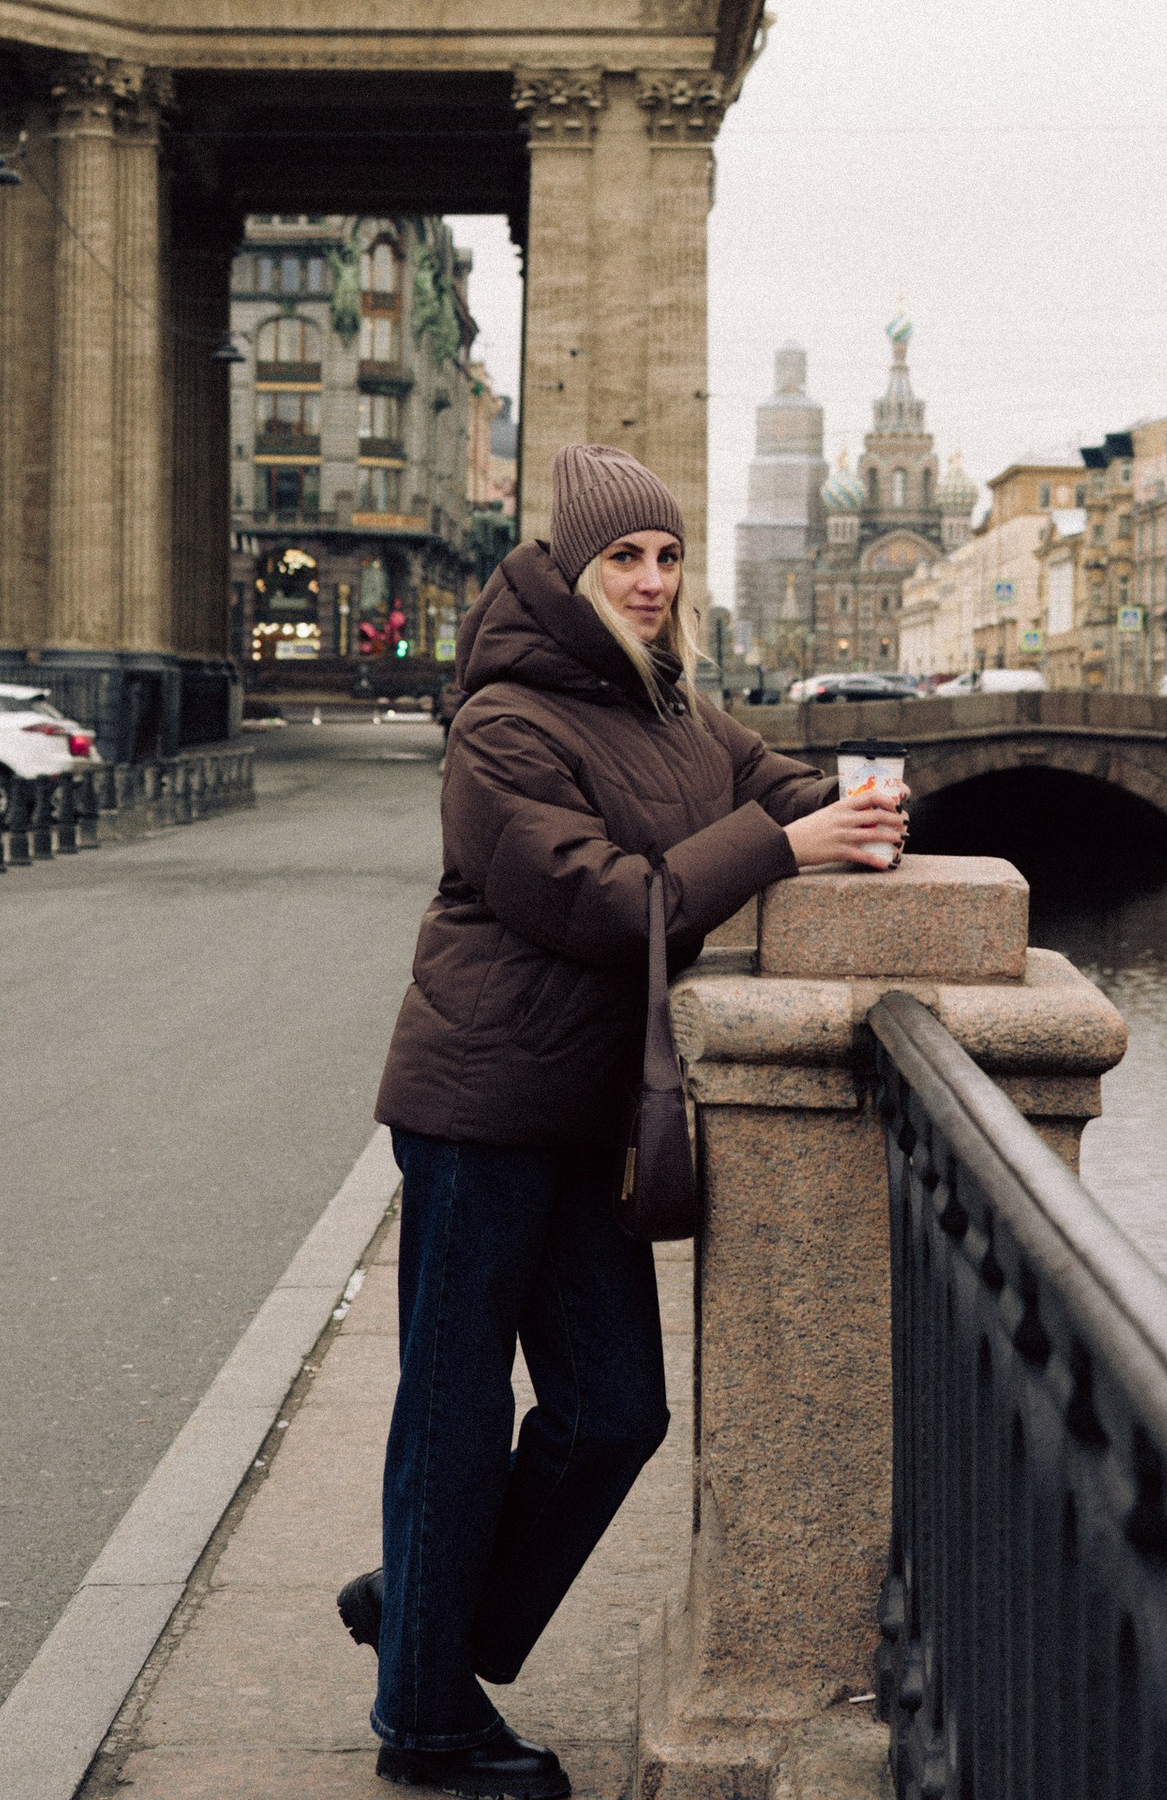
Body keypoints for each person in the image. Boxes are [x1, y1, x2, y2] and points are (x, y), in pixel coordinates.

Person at [342, 441, 908, 1796]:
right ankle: (424, 1721)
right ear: (570, 568)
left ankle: (423, 1615)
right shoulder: (503, 723)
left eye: (667, 557)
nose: (652, 581)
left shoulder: (672, 710)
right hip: (483, 1103)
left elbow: (774, 786)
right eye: (624, 558)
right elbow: (601, 898)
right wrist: (781, 848)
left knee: (613, 1412)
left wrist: (861, 807)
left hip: (587, 1110)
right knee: (456, 1411)